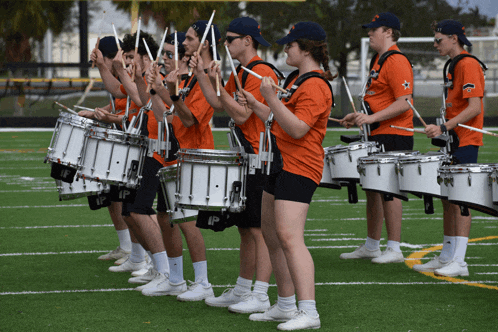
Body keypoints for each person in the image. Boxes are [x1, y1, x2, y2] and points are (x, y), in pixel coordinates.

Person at [238, 21, 335, 330]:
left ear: (306, 49)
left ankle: (309, 312)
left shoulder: (315, 84)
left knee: (291, 238)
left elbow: (297, 128)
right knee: (272, 235)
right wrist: (257, 103)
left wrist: (271, 98)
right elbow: (279, 121)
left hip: (300, 166)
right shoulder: (298, 80)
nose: (285, 50)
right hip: (280, 162)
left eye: (290, 45)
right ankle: (284, 304)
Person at [191, 17, 276, 314]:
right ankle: (242, 288)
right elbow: (217, 102)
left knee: (258, 230)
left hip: (260, 158)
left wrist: (223, 89)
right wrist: (203, 74)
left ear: (247, 40)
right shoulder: (241, 70)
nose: (225, 44)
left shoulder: (260, 71)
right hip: (246, 157)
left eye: (230, 39)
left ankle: (261, 293)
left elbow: (241, 115)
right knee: (245, 228)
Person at [141, 22, 220, 302]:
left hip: (194, 153)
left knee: (187, 221)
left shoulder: (207, 78)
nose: (184, 43)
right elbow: (168, 116)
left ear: (204, 43)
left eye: (189, 38)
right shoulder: (187, 79)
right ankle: (175, 278)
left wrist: (166, 89)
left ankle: (203, 282)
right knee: (166, 217)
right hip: (175, 152)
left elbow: (189, 118)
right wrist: (155, 89)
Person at [339, 12, 414, 264]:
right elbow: (378, 99)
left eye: (375, 29)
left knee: (389, 191)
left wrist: (371, 118)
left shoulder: (396, 60)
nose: (369, 33)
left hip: (394, 133)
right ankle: (372, 245)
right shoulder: (379, 60)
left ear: (389, 32)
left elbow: (405, 102)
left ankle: (394, 247)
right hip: (377, 133)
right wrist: (360, 116)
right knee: (372, 189)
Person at [413, 19, 485, 277]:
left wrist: (444, 127)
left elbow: (474, 107)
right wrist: (443, 128)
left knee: (461, 200)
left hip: (465, 140)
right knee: (447, 199)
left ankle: (460, 261)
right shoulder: (453, 65)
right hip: (452, 140)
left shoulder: (467, 64)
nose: (435, 44)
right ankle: (446, 255)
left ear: (454, 38)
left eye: (438, 39)